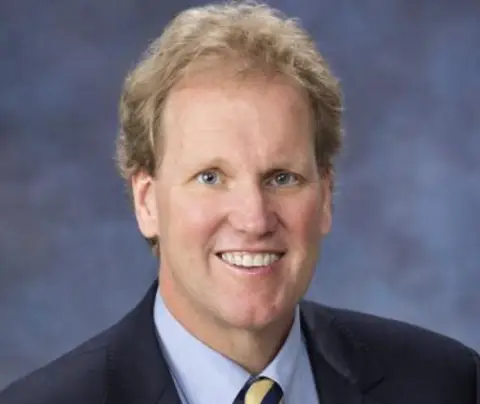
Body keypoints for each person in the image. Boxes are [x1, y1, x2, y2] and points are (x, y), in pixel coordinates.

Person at [1, 1, 479, 403]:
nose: (254, 219)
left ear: (325, 197)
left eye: (282, 178)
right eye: (210, 177)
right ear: (147, 203)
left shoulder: (448, 384)